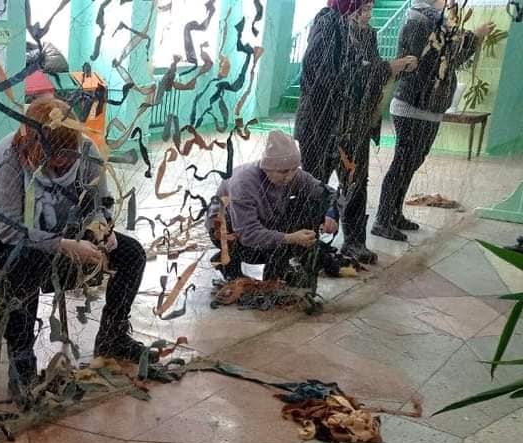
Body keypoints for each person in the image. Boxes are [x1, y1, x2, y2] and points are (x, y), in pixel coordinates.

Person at [0, 97, 151, 403]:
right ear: (31, 141)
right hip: (4, 239)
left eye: (66, 153)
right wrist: (66, 246)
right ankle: (21, 361)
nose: (60, 161)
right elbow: (9, 229)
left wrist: (100, 230)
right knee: (25, 263)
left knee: (133, 254)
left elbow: (101, 205)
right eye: (50, 153)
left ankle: (113, 337)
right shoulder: (8, 153)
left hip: (66, 235)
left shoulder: (86, 150)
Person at [294, 0, 417, 262]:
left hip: (355, 125)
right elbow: (323, 75)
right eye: (363, 8)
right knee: (316, 182)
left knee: (356, 182)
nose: (368, 14)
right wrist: (386, 69)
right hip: (321, 124)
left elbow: (366, 74)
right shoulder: (327, 24)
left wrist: (386, 70)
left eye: (371, 8)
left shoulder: (367, 34)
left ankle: (354, 241)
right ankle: (305, 244)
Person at [373, 0, 495, 241]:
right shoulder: (419, 21)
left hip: (431, 106)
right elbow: (433, 58)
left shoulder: (440, 24)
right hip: (412, 105)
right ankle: (382, 219)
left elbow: (450, 60)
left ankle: (395, 213)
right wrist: (472, 37)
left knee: (413, 161)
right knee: (402, 162)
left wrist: (470, 38)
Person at [208, 131, 340, 284]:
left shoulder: (293, 174)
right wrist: (290, 238)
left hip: (264, 221)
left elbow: (328, 193)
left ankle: (279, 268)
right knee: (233, 234)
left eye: (294, 169)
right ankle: (229, 261)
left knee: (309, 205)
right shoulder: (243, 183)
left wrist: (331, 213)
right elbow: (247, 233)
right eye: (283, 171)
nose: (289, 176)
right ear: (267, 167)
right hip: (231, 230)